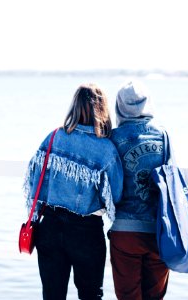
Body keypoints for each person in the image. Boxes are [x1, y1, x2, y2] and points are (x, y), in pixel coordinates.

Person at [23, 83, 123, 300]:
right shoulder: (106, 150)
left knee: (52, 295)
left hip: (49, 226)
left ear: (74, 107)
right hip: (86, 231)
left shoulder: (53, 138)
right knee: (90, 295)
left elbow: (34, 181)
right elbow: (115, 197)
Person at [109, 80, 170, 300]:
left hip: (125, 232)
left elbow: (110, 187)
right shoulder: (163, 137)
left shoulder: (113, 139)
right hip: (159, 233)